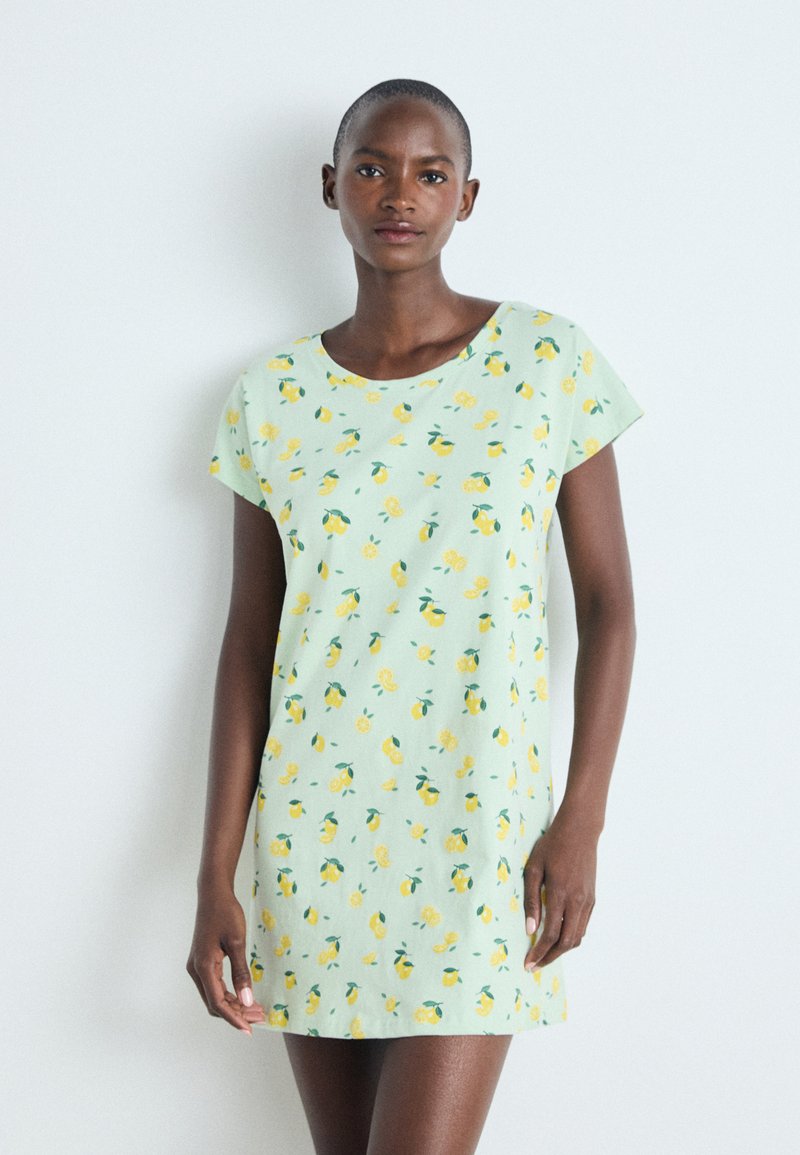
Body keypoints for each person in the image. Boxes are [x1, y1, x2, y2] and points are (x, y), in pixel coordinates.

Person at [187, 77, 644, 1155]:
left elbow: (609, 606)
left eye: (430, 173)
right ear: (330, 186)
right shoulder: (272, 398)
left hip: (480, 839)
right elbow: (249, 643)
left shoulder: (545, 363)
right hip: (312, 843)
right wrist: (215, 873)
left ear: (466, 197)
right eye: (372, 168)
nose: (399, 194)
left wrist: (580, 818)